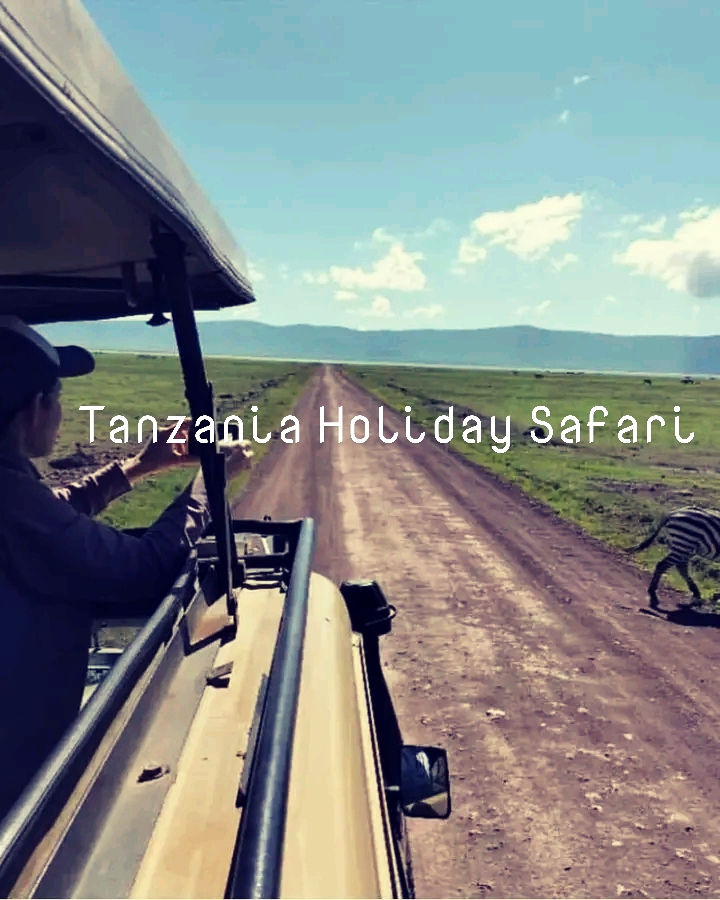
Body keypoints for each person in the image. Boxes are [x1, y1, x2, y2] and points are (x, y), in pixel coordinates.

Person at [0, 316, 253, 822]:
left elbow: (52, 514)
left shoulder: (14, 492)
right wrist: (211, 483)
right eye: (58, 396)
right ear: (35, 407)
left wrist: (140, 465)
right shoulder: (9, 496)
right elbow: (143, 569)